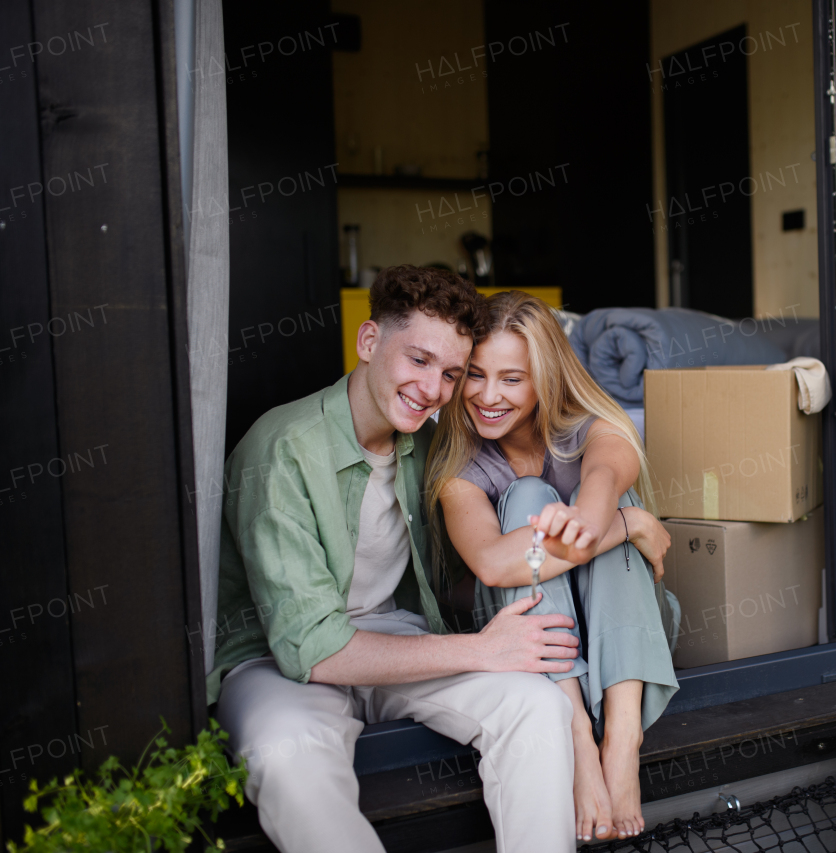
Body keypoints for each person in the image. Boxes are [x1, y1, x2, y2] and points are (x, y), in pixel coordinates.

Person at [208, 267, 581, 853]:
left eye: (451, 373)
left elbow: (576, 434)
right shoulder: (282, 448)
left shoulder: (433, 444)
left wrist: (622, 520)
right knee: (289, 756)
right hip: (276, 659)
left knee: (535, 705)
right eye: (419, 360)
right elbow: (311, 647)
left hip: (394, 635)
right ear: (369, 342)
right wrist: (482, 648)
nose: (433, 388)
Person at [428, 291, 680, 843]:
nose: (487, 396)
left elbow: (595, 500)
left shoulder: (595, 429)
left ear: (546, 378)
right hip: (525, 643)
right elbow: (494, 566)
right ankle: (577, 742)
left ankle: (621, 739)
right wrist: (630, 523)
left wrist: (612, 515)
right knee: (526, 500)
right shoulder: (459, 468)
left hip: (625, 633)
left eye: (511, 379)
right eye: (474, 374)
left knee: (584, 507)